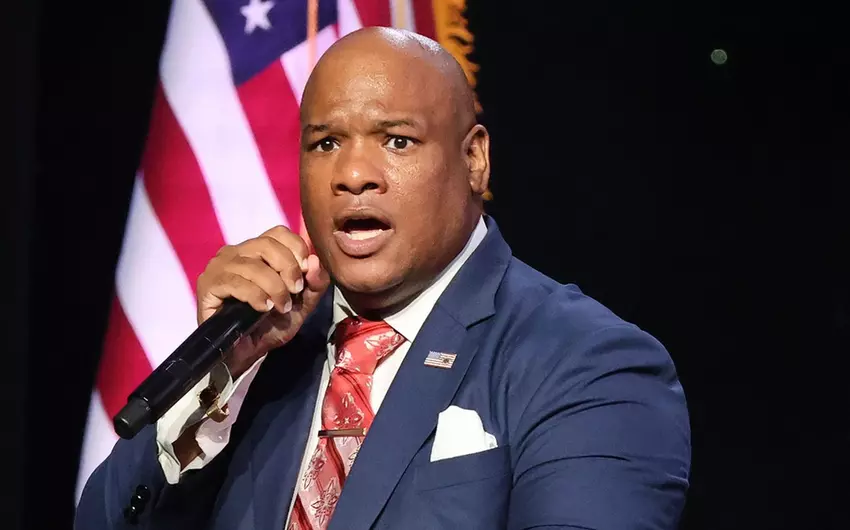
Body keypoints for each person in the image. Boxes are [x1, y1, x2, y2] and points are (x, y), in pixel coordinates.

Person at [76, 27, 690, 529]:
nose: (353, 175)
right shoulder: (262, 357)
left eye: (397, 140)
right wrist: (219, 378)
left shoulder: (587, 362)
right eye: (325, 144)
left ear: (474, 160)